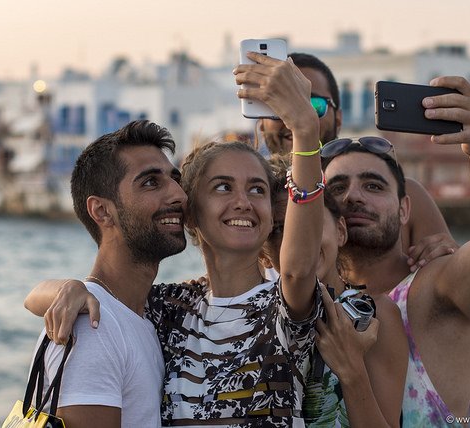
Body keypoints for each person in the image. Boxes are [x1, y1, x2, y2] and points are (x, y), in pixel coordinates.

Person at [25, 52, 332, 426]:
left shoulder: (284, 304)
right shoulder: (171, 307)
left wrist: (305, 130)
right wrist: (67, 289)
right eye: (222, 187)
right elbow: (94, 301)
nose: (242, 202)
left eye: (257, 190)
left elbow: (298, 269)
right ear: (191, 212)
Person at [320, 76, 470, 426]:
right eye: (338, 187)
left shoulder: (434, 290)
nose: (353, 196)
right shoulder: (311, 300)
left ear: (404, 210)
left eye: (372, 185)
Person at [24, 120, 188, 428]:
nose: (178, 194)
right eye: (151, 183)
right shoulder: (92, 329)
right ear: (101, 211)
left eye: (174, 179)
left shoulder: (138, 316)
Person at [259, 52, 460, 272]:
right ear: (260, 123)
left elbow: (469, 299)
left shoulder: (399, 195)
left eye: (313, 105)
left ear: (338, 118)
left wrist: (447, 254)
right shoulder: (248, 200)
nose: (295, 116)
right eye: (279, 107)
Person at [261, 154, 407, 427]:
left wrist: (352, 372)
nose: (300, 242)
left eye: (312, 221)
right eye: (279, 230)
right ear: (264, 255)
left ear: (341, 231)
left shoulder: (374, 317)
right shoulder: (255, 317)